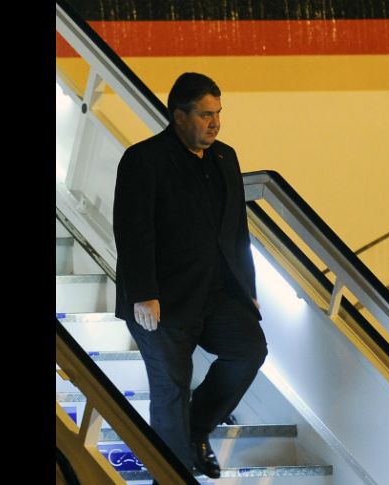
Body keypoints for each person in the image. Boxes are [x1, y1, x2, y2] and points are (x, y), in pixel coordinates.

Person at [113, 72, 268, 479]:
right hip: (161, 300)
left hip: (217, 294)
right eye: (205, 115)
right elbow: (132, 231)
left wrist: (247, 287)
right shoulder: (144, 159)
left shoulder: (225, 157)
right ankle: (172, 474)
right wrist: (143, 293)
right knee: (171, 391)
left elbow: (236, 230)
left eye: (218, 113)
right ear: (178, 116)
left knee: (249, 350)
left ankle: (196, 430)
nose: (215, 123)